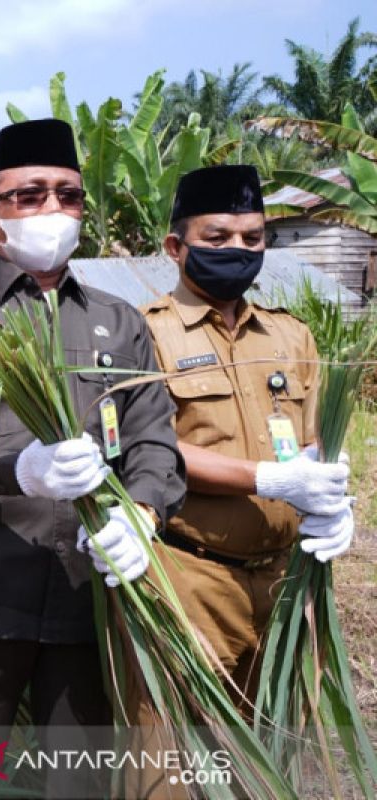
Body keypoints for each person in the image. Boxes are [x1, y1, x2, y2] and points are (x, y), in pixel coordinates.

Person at [0, 118, 187, 799]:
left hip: (88, 600)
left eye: (67, 194)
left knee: (76, 786)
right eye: (28, 195)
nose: (51, 209)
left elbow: (153, 439)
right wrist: (16, 469)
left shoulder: (119, 321)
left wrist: (141, 513)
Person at [132, 166, 351, 784]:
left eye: (252, 239)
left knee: (273, 749)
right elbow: (153, 450)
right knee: (168, 762)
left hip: (287, 580)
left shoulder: (288, 333)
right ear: (176, 247)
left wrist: (335, 497)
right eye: (218, 236)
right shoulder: (144, 333)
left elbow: (315, 443)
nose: (237, 251)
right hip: (192, 577)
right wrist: (265, 479)